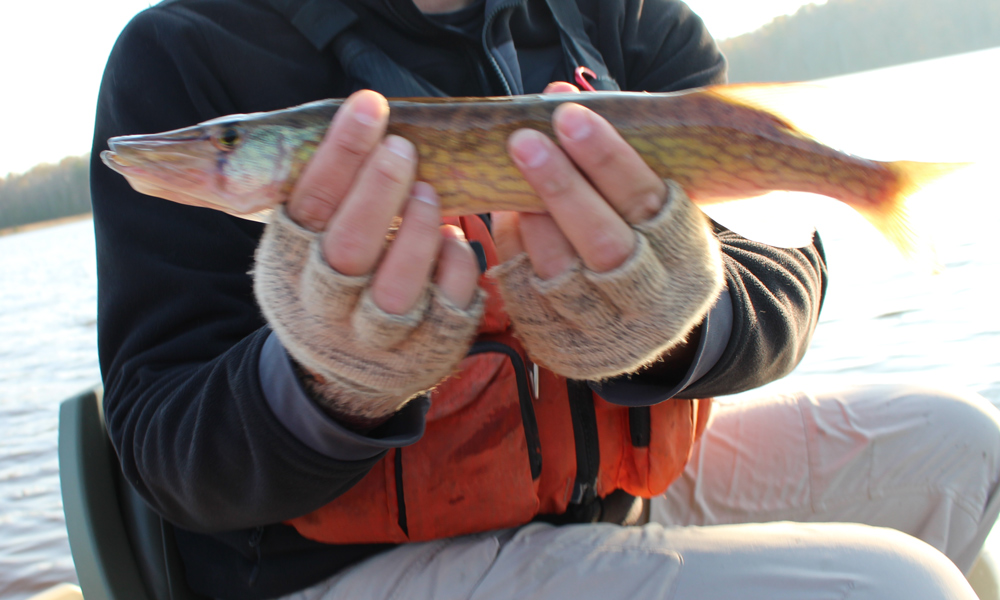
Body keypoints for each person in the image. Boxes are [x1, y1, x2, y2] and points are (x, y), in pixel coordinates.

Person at [89, 0, 1000, 598]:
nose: (210, 152)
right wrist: (335, 374)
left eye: (224, 144)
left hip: (606, 496)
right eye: (229, 142)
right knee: (901, 590)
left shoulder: (622, 15)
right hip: (343, 568)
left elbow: (787, 267)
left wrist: (672, 314)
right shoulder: (186, 50)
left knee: (962, 447)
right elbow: (168, 449)